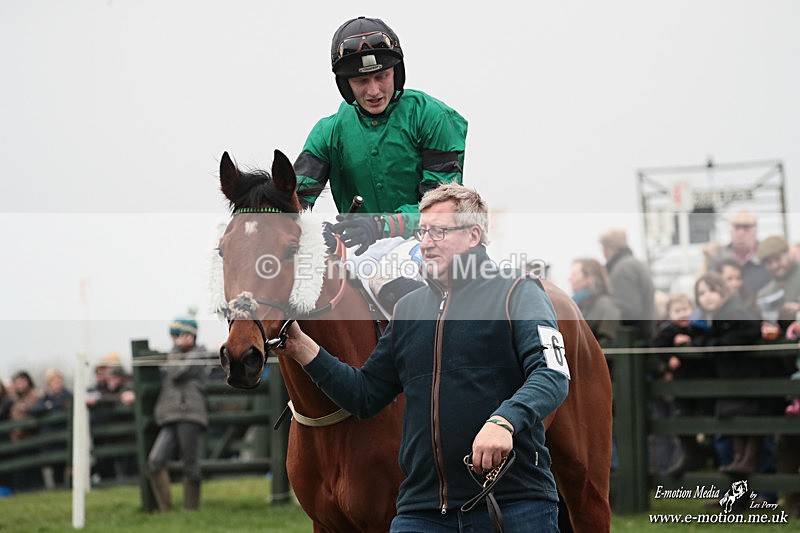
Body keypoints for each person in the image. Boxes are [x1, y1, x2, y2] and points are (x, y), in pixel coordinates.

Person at [274, 183, 569, 532]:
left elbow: (551, 375)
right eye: (423, 231)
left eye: (439, 232)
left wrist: (504, 420)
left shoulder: (518, 291)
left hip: (513, 501)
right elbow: (365, 395)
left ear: (474, 235)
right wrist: (303, 349)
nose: (426, 242)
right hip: (422, 510)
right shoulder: (408, 310)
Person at [294, 16, 468, 310]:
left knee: (386, 279)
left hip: (429, 241)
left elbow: (440, 208)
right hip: (360, 250)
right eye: (362, 80)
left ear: (396, 73)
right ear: (345, 85)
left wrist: (381, 225)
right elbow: (293, 201)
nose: (374, 91)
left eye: (382, 77)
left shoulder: (434, 117)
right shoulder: (327, 132)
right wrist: (311, 228)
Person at [694, 272, 763, 474]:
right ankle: (740, 459)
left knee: (746, 418)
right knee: (735, 416)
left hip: (747, 376)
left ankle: (747, 459)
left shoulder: (733, 311)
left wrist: (718, 344)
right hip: (733, 378)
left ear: (723, 291)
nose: (707, 296)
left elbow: (751, 330)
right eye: (701, 293)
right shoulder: (716, 316)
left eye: (712, 290)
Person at [147, 311, 208, 512]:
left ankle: (191, 510)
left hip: (190, 414)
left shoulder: (199, 354)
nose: (175, 340)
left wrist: (176, 350)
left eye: (178, 336)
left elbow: (176, 372)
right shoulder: (176, 355)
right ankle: (167, 510)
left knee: (190, 463)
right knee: (155, 460)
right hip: (171, 415)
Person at [651, 293, 714, 477]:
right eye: (677, 311)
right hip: (681, 384)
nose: (682, 314)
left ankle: (705, 451)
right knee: (682, 418)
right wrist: (669, 357)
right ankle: (691, 453)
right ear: (669, 314)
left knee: (705, 416)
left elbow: (706, 342)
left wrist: (691, 342)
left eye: (686, 309)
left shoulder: (697, 328)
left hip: (701, 382)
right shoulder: (668, 331)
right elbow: (657, 345)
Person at [598, 227, 655, 344]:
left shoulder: (622, 269)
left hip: (633, 343)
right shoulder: (635, 263)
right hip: (645, 338)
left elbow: (628, 311)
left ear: (606, 249)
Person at [29, 368, 72, 489]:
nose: (57, 383)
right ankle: (60, 492)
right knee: (56, 471)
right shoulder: (46, 397)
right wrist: (50, 406)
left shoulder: (68, 395)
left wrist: (51, 406)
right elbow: (34, 409)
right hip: (52, 442)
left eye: (59, 380)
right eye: (54, 381)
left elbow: (66, 405)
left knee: (70, 469)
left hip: (66, 440)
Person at [711, 210, 771, 296]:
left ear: (755, 232)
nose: (741, 233)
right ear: (730, 231)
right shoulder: (719, 261)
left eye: (746, 229)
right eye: (737, 228)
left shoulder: (767, 258)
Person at [568, 257, 621, 347]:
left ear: (590, 279)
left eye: (574, 274)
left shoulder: (606, 306)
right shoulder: (576, 305)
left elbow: (607, 343)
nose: (570, 278)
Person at [8, 370, 44, 492]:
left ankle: (37, 490)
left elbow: (37, 411)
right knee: (21, 471)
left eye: (22, 382)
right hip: (18, 441)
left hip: (31, 439)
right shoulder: (15, 400)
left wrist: (27, 410)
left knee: (34, 470)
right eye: (17, 383)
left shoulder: (36, 396)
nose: (20, 385)